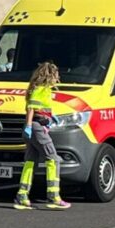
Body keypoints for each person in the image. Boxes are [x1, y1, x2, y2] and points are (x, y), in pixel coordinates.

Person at [15, 61, 70, 211]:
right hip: (36, 128)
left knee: (30, 162)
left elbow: (40, 108)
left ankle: (22, 195)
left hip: (36, 127)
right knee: (53, 158)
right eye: (56, 75)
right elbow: (32, 109)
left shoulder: (37, 88)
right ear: (50, 75)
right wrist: (29, 126)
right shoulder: (42, 89)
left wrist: (51, 118)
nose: (57, 78)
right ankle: (54, 196)